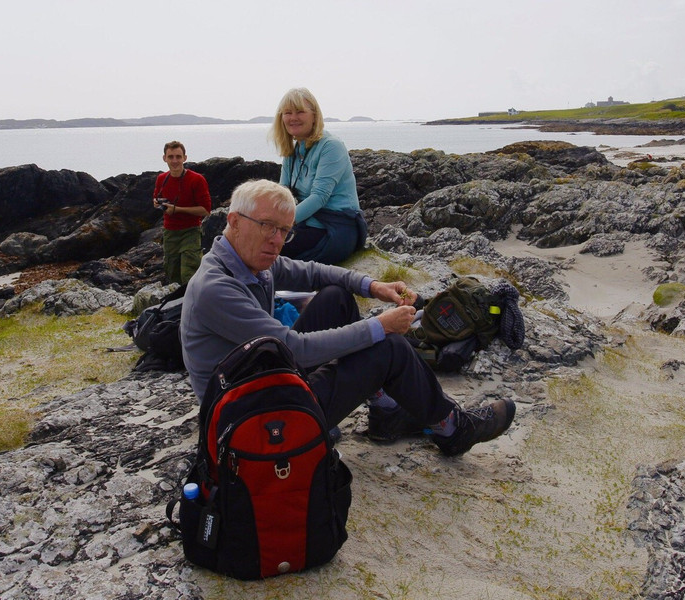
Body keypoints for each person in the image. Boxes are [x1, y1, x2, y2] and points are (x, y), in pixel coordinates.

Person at [181, 179, 516, 456]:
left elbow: (314, 273)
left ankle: (385, 409)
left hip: (264, 381)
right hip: (254, 420)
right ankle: (453, 428)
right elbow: (294, 348)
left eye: (285, 231)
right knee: (389, 347)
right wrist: (379, 326)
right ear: (235, 221)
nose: (277, 241)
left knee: (335, 298)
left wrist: (373, 286)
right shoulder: (216, 287)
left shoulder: (250, 261)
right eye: (268, 226)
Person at [271, 87, 366, 265]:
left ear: (314, 115)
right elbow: (283, 193)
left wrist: (281, 225)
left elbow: (319, 197)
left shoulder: (331, 146)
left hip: (334, 228)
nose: (293, 118)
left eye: (300, 112)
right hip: (304, 224)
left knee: (268, 252)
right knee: (254, 243)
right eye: (287, 113)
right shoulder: (292, 149)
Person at [153, 141, 211, 287]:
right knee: (173, 275)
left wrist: (177, 209)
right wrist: (157, 203)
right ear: (164, 158)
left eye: (178, 157)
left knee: (189, 275)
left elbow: (205, 210)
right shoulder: (161, 179)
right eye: (170, 157)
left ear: (185, 158)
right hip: (170, 233)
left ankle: (194, 306)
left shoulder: (197, 179)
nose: (174, 161)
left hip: (190, 232)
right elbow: (156, 198)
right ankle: (178, 308)